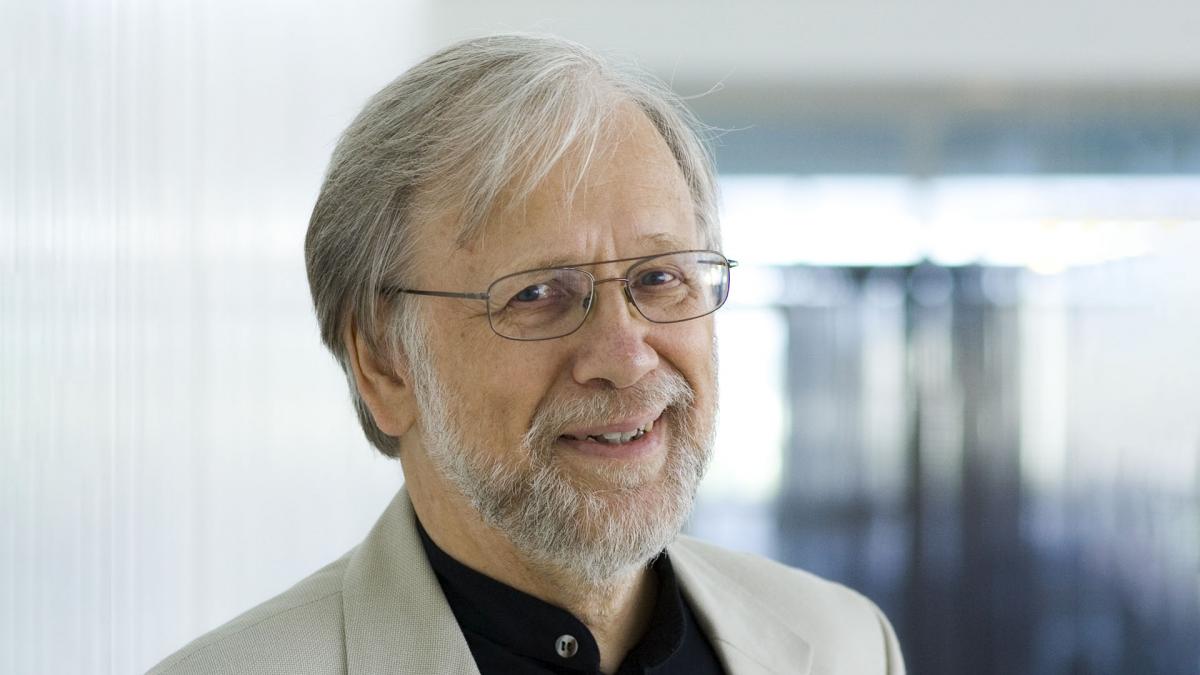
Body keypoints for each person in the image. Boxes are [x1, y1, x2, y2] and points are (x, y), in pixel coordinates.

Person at [150, 33, 904, 675]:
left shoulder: (846, 644)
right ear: (384, 362)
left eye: (659, 277)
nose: (625, 356)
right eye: (537, 293)